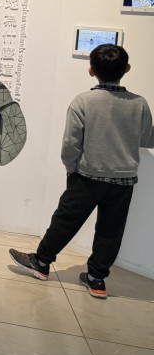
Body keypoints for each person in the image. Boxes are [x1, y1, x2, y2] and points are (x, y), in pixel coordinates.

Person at [9, 44, 154, 299]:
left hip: (87, 176)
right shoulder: (139, 104)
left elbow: (70, 144)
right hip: (123, 179)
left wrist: (71, 169)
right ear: (127, 69)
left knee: (66, 220)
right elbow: (146, 139)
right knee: (111, 230)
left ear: (91, 71)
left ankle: (41, 262)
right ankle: (97, 279)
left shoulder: (83, 101)